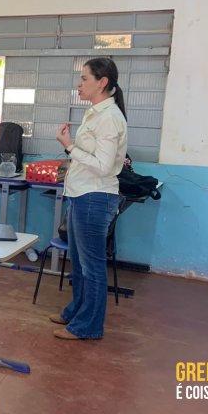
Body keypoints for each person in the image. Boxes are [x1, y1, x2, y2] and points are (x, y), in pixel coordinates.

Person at [51, 57, 128, 340]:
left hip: (95, 197)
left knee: (92, 266)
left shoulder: (109, 118)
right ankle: (76, 312)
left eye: (84, 78)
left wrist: (69, 147)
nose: (79, 84)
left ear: (102, 82)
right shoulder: (95, 113)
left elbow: (104, 166)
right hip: (81, 194)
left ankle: (89, 326)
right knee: (80, 263)